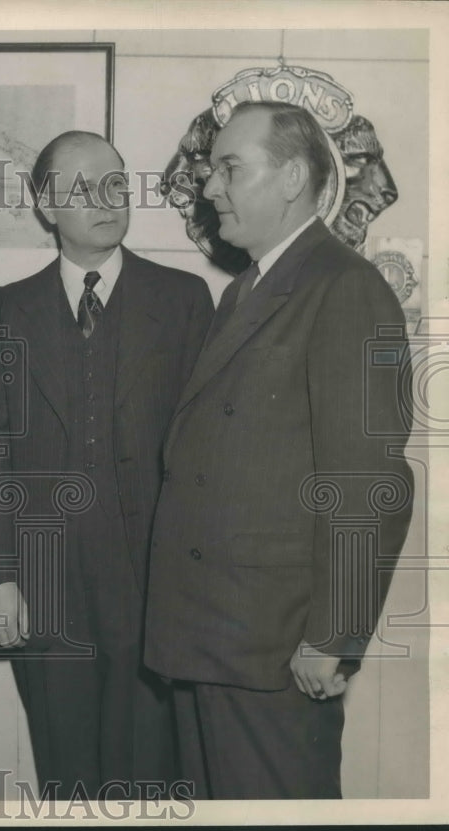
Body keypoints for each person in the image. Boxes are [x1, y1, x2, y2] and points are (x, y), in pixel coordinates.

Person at [144, 101, 414, 799]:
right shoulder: (246, 290)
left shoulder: (345, 287)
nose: (208, 186)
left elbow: (370, 481)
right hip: (215, 635)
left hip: (273, 647)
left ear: (293, 176)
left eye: (231, 167)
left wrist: (334, 635)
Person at [0, 130, 214, 799]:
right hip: (45, 583)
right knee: (67, 767)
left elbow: (203, 452)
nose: (107, 200)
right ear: (46, 204)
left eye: (115, 184)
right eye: (83, 188)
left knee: (153, 770)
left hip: (154, 582)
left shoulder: (184, 298)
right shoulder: (2, 310)